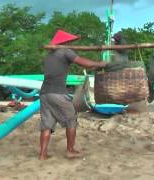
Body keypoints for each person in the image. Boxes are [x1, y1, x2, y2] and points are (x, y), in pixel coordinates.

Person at [39, 29, 109, 160]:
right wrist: (101, 64)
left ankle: (43, 154)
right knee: (71, 119)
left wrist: (95, 66)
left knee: (46, 125)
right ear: (65, 42)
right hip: (57, 93)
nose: (71, 43)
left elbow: (85, 65)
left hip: (44, 93)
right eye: (70, 41)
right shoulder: (65, 51)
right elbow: (84, 63)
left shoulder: (49, 55)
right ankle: (70, 150)